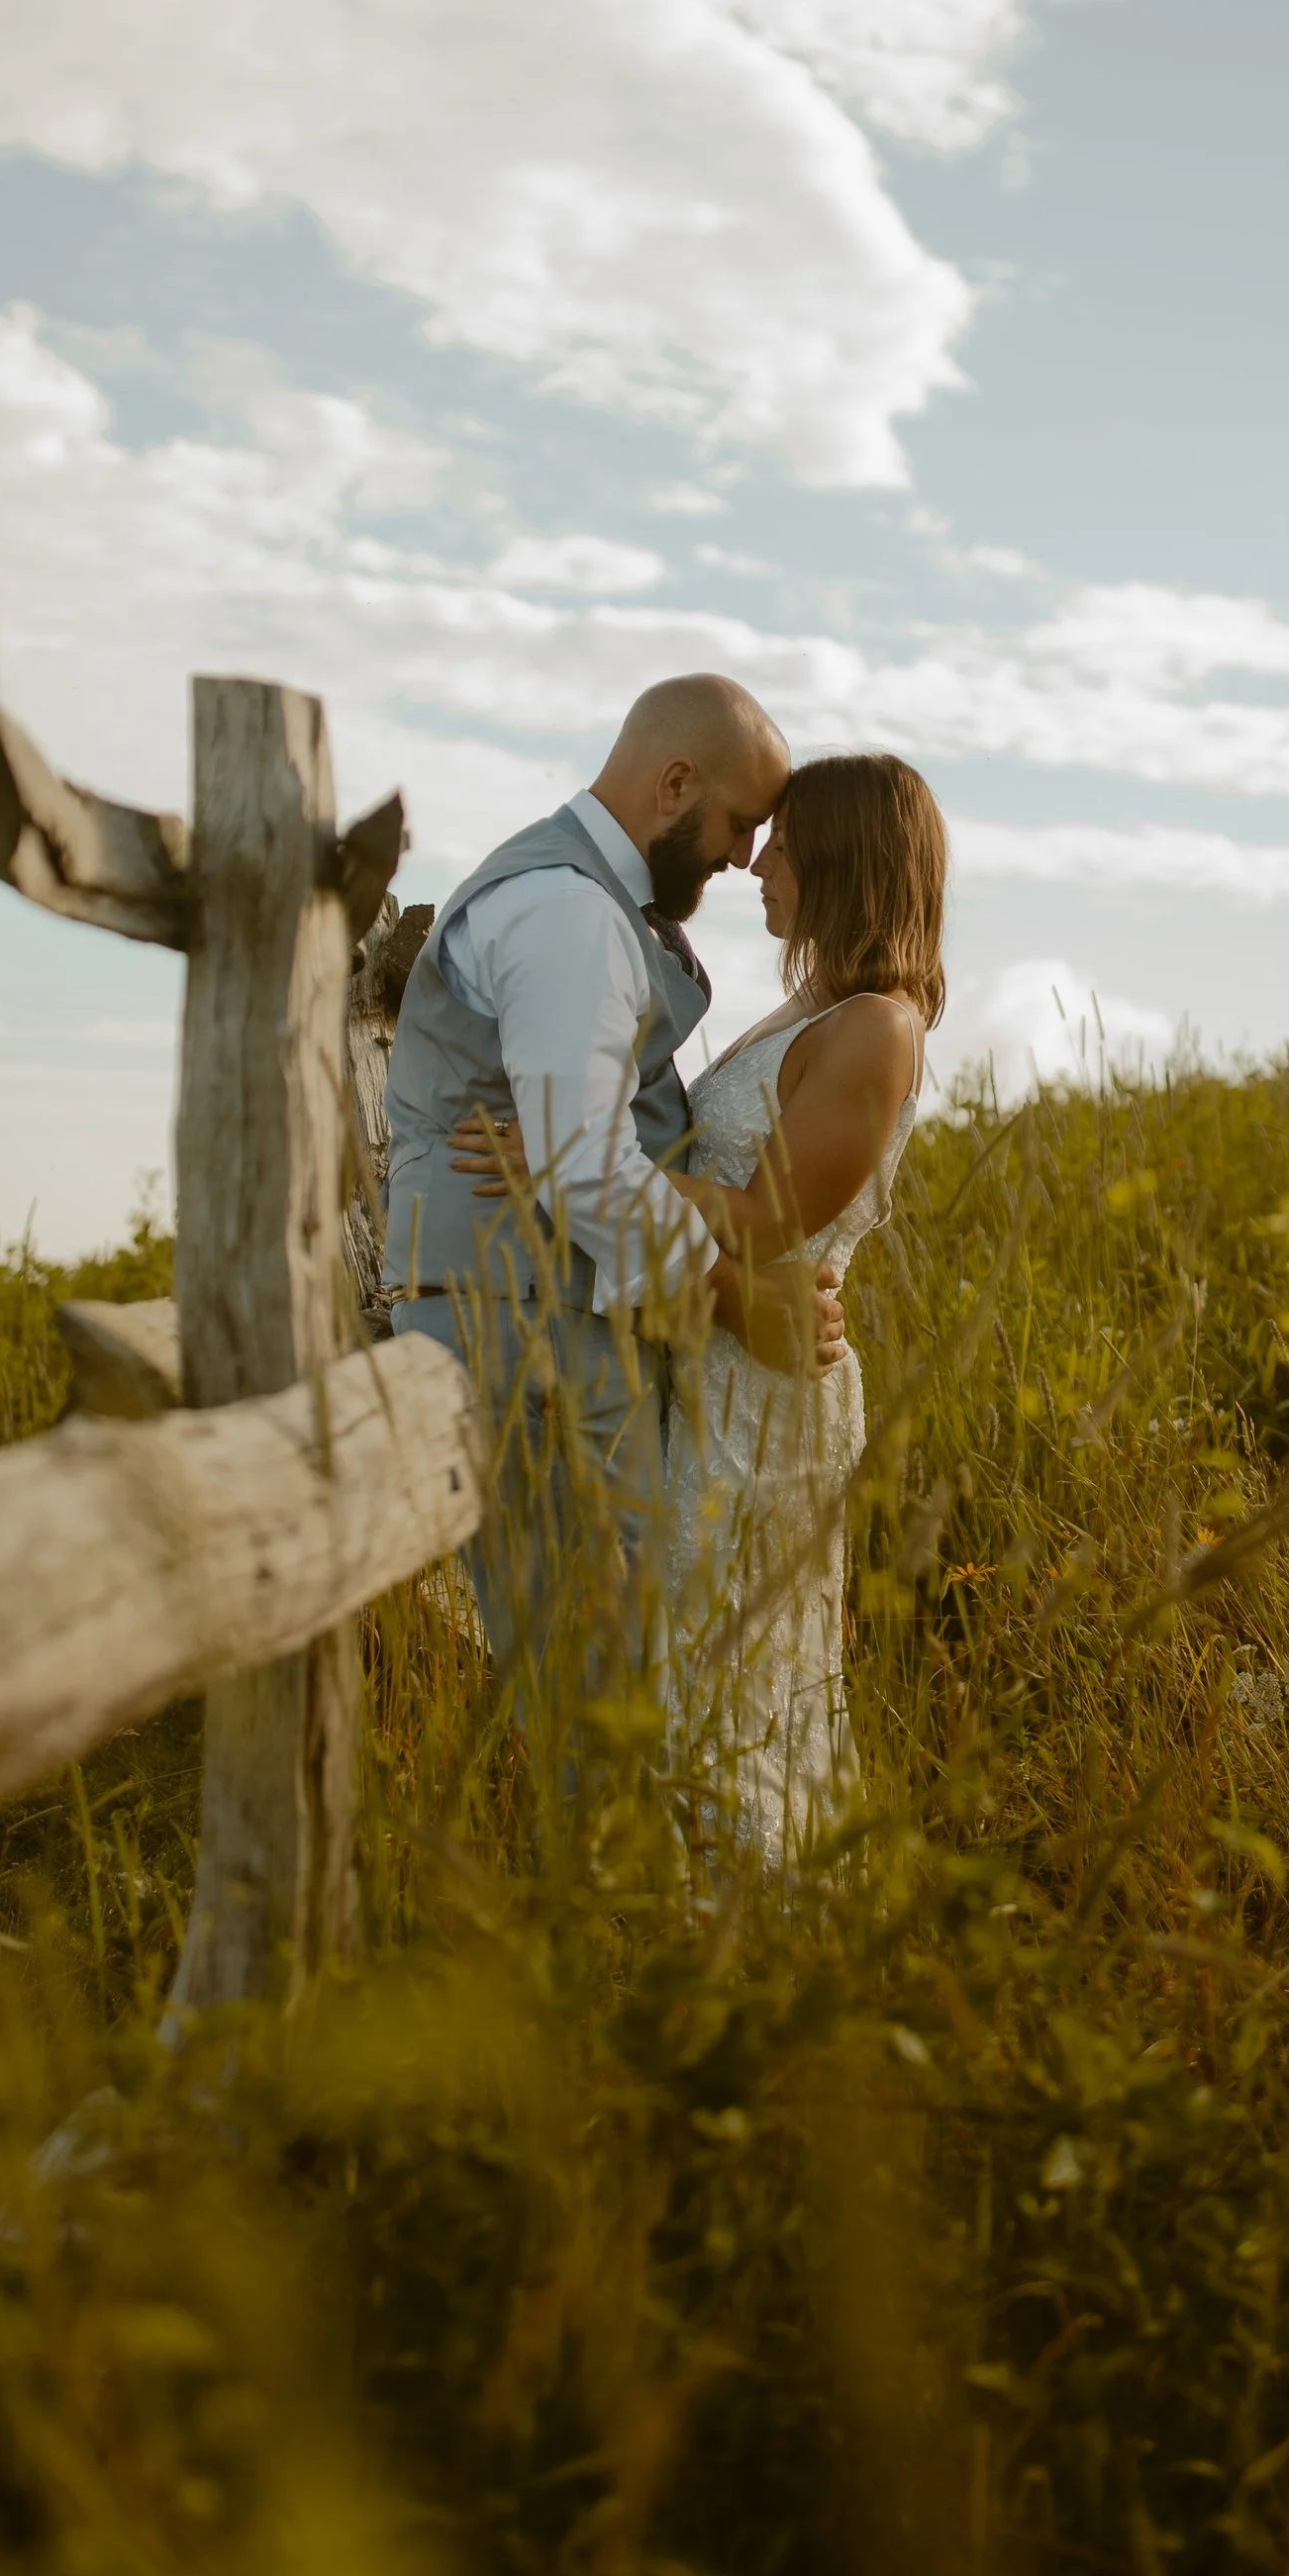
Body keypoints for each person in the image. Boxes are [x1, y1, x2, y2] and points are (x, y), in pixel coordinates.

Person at [454, 748, 944, 1866]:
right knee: (695, 1681)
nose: (756, 862)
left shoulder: (878, 1025)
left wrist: (570, 1158)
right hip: (719, 1363)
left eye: (783, 842)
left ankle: (769, 1934)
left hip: (769, 1397)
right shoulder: (813, 1007)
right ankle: (717, 1943)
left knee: (731, 1691)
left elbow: (769, 1219)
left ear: (846, 856)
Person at [382, 674, 846, 1757]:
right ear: (674, 782)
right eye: (738, 823)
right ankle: (606, 1924)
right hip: (528, 1333)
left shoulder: (579, 903)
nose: (742, 855)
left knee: (616, 1684)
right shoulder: (568, 913)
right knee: (596, 1703)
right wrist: (734, 1299)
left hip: (550, 1320)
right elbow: (581, 1159)